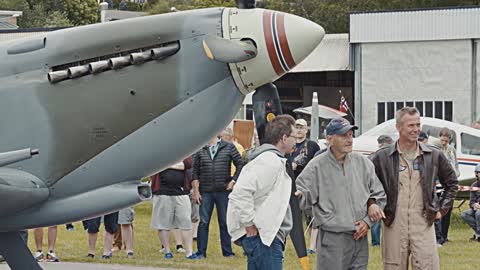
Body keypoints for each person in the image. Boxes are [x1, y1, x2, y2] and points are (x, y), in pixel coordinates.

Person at [371, 107, 458, 270]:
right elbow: (365, 183)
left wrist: (441, 210)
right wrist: (372, 204)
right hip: (393, 223)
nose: (416, 129)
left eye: (418, 124)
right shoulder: (381, 157)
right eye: (411, 125)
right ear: (398, 127)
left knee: (428, 266)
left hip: (424, 222)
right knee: (393, 267)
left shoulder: (434, 155)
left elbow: (452, 183)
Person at [296, 117, 386, 270]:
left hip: (360, 238)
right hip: (332, 239)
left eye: (351, 135)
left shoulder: (363, 163)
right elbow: (301, 197)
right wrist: (323, 215)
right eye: (343, 135)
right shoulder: (316, 165)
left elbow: (378, 194)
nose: (349, 139)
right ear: (329, 139)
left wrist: (367, 220)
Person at [227, 114, 296, 270]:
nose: (296, 141)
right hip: (264, 239)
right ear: (284, 138)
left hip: (265, 237)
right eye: (294, 137)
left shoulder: (271, 160)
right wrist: (249, 223)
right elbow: (240, 193)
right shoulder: (269, 161)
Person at [192, 135, 244, 258]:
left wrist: (233, 181)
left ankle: (227, 252)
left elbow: (240, 164)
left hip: (223, 191)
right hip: (205, 191)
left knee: (224, 222)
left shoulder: (229, 146)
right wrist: (196, 191)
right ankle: (201, 252)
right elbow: (194, 171)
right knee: (204, 222)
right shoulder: (200, 147)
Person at [151, 157, 198, 259]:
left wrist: (166, 164)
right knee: (163, 224)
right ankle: (167, 251)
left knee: (186, 221)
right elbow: (154, 164)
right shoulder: (157, 151)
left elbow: (188, 164)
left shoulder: (183, 150)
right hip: (162, 192)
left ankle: (189, 252)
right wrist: (177, 164)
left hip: (181, 192)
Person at [288, 118, 320, 255]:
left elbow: (318, 162)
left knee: (311, 216)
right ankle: (294, 245)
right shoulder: (290, 145)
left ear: (306, 130)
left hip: (307, 185)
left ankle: (312, 247)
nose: (299, 130)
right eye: (297, 127)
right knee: (292, 216)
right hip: (291, 183)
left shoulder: (312, 145)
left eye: (302, 127)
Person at [435, 127, 460, 245]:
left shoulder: (451, 150)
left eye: (446, 141)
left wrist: (455, 176)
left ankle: (445, 236)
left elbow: (455, 164)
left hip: (449, 185)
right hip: (438, 185)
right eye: (442, 140)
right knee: (438, 211)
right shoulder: (435, 149)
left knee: (447, 211)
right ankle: (438, 237)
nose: (444, 143)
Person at [369, 135, 394, 247]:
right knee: (379, 216)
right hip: (382, 191)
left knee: (378, 217)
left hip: (381, 191)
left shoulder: (372, 157)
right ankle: (378, 243)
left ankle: (377, 243)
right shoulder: (376, 157)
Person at [461, 164, 480, 242]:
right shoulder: (474, 185)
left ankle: (478, 236)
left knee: (478, 213)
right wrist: (474, 205)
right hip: (477, 208)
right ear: (476, 174)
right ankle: (478, 233)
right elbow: (471, 202)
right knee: (465, 214)